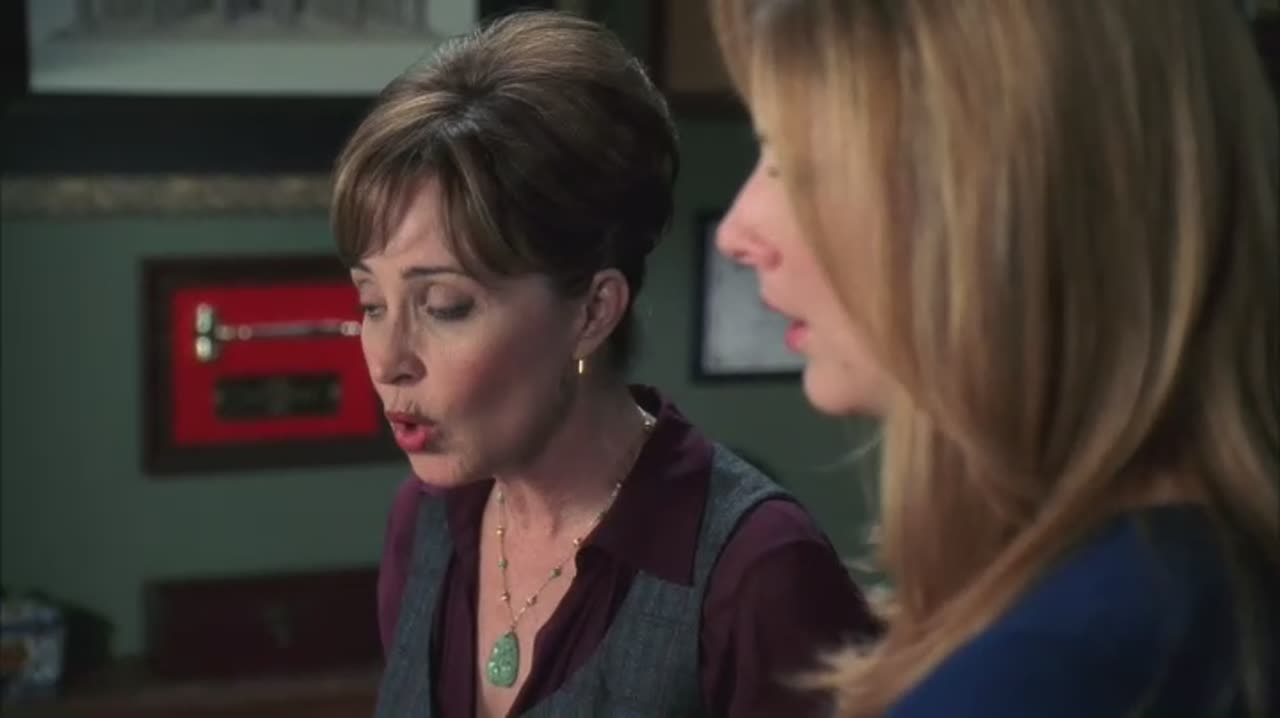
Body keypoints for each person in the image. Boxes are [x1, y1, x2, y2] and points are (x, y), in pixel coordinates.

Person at [711, 1, 1279, 717]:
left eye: (791, 163)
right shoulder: (1196, 587)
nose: (736, 231)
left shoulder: (1060, 672)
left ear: (997, 201)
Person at [329, 9, 880, 718]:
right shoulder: (426, 520)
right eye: (372, 303)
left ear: (592, 312)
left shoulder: (761, 574)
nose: (387, 360)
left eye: (444, 306)